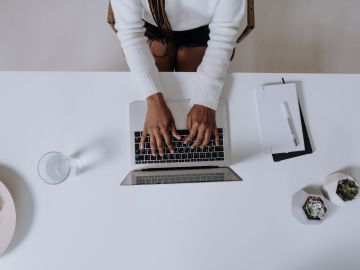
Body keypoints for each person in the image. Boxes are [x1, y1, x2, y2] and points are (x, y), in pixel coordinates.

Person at [111, 0, 245, 156]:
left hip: (203, 28)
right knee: (154, 121)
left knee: (192, 124)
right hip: (153, 24)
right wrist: (154, 100)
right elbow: (130, 33)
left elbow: (224, 34)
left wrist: (206, 102)